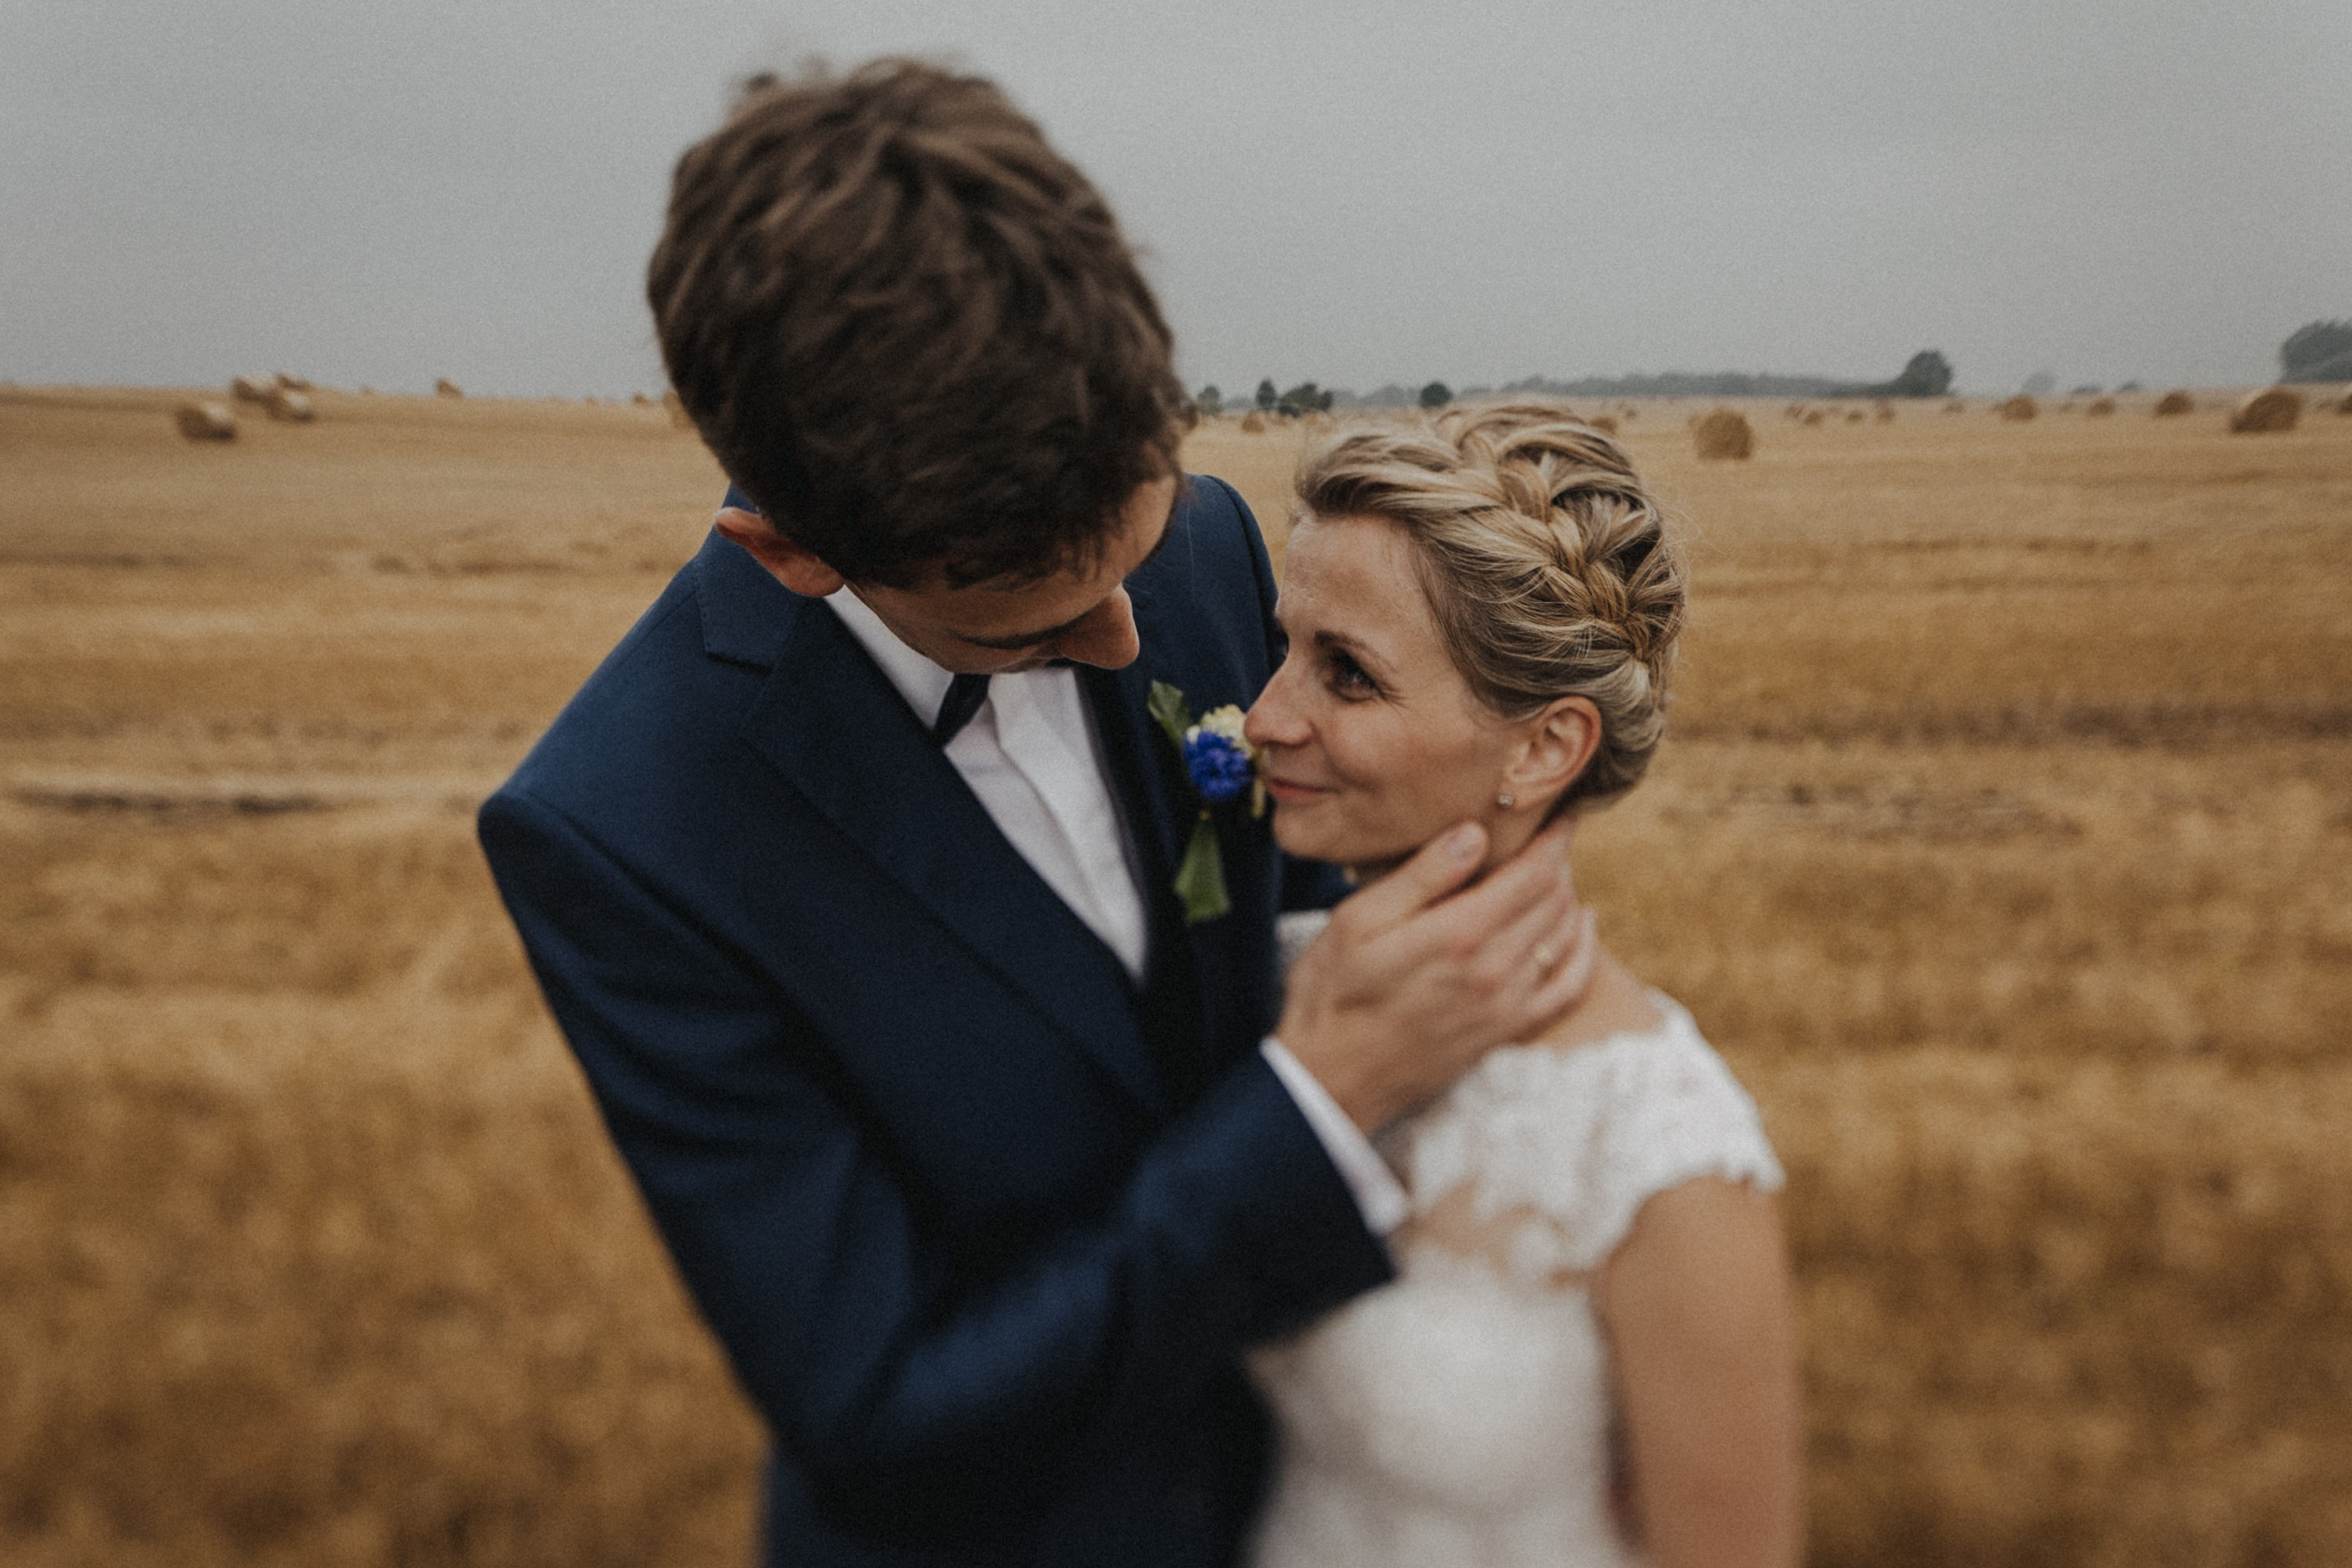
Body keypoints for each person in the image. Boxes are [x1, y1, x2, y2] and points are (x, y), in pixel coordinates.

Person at [476, 61, 1594, 1568]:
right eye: (1037, 631)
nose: (1134, 635)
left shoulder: (1202, 540)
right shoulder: (622, 834)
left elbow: (1295, 910)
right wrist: (1315, 1103)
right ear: (791, 552)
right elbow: (886, 1410)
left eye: (1134, 553)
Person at [1240, 404, 1802, 1568]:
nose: (1262, 718)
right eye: (1282, 645)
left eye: (1347, 675)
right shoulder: (1271, 991)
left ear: (1544, 747)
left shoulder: (1660, 1149)